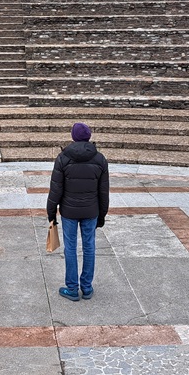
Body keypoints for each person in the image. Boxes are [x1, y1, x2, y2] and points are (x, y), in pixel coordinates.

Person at [46, 122, 109, 301]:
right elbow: (103, 192)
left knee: (71, 248)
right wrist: (102, 215)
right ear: (89, 137)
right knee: (89, 247)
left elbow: (55, 189)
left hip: (69, 211)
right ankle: (87, 288)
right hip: (91, 211)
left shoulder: (63, 158)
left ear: (73, 137)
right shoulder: (100, 159)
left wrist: (51, 213)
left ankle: (72, 288)